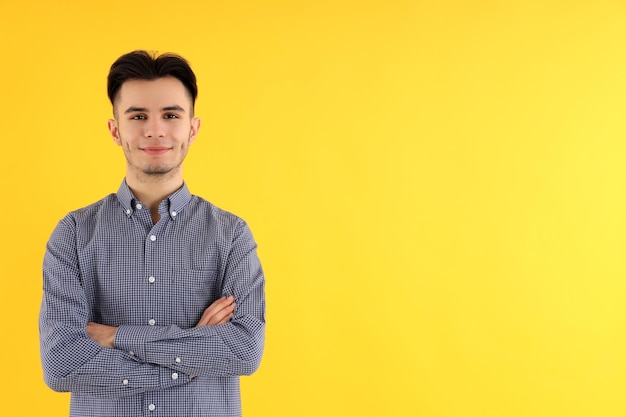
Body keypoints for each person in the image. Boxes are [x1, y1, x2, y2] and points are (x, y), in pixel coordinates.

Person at [39, 50, 266, 417]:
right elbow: (62, 364)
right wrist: (190, 359)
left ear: (192, 128)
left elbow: (243, 350)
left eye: (171, 115)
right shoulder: (74, 234)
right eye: (138, 116)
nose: (155, 130)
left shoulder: (231, 235)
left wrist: (116, 337)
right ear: (116, 130)